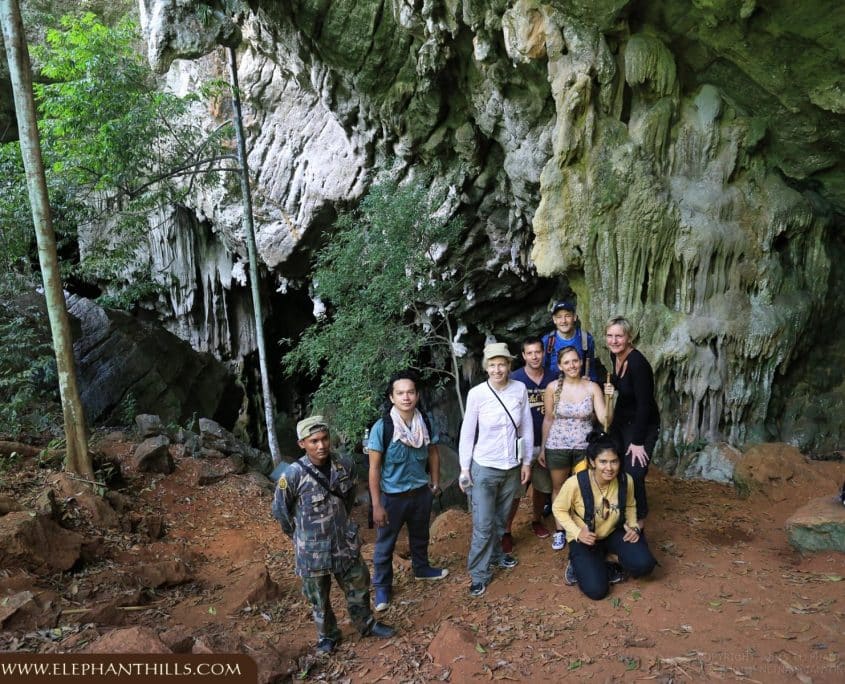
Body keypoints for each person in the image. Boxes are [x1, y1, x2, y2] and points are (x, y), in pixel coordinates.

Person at [272, 416, 395, 654]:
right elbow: (281, 511)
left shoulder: (345, 464)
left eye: (325, 438)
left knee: (358, 584)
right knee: (318, 596)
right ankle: (327, 636)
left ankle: (367, 624)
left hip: (343, 542)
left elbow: (348, 499)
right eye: (314, 441)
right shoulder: (293, 476)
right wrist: (299, 537)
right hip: (312, 550)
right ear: (302, 444)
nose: (321, 446)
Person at [367, 370, 449, 613]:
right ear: (392, 398)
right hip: (392, 496)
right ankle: (382, 587)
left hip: (420, 491)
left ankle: (422, 568)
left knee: (420, 534)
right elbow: (374, 468)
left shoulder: (425, 421)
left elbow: (433, 451)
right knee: (385, 544)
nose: (406, 397)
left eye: (410, 392)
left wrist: (434, 482)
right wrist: (376, 505)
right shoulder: (383, 427)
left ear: (417, 395)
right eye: (400, 393)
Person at [458, 342, 533, 597]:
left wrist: (526, 462)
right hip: (484, 467)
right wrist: (464, 469)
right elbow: (468, 432)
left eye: (502, 364)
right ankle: (479, 573)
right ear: (486, 367)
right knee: (482, 523)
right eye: (492, 365)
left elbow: (526, 427)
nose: (498, 369)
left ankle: (500, 554)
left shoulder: (519, 389)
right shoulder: (477, 394)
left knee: (502, 520)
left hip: (511, 466)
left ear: (509, 365)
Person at [552, 431, 657, 600]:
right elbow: (558, 509)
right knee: (597, 591)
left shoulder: (625, 480)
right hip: (585, 536)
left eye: (614, 461)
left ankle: (600, 562)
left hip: (612, 531)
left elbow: (630, 504)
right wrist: (577, 532)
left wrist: (633, 526)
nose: (609, 468)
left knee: (645, 565)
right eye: (603, 462)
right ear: (592, 462)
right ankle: (581, 565)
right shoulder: (576, 483)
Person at [540, 347, 607, 551]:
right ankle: (560, 530)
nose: (572, 365)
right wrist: (543, 448)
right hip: (557, 445)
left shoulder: (592, 387)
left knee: (584, 488)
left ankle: (582, 527)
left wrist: (610, 399)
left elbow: (605, 420)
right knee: (559, 488)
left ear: (580, 362)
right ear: (560, 366)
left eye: (575, 361)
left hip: (584, 447)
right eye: (567, 362)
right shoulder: (552, 388)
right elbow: (548, 418)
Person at [603, 316, 660, 526]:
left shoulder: (638, 364)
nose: (614, 340)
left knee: (634, 472)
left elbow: (645, 405)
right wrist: (613, 384)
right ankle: (617, 514)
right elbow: (623, 384)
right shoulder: (615, 354)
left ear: (629, 337)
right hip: (621, 421)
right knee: (612, 464)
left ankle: (639, 520)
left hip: (641, 424)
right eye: (610, 335)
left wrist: (637, 442)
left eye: (619, 336)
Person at [502, 336, 557, 550]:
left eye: (538, 352)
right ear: (524, 355)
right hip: (521, 444)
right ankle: (506, 529)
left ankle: (537, 519)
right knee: (516, 489)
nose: (535, 356)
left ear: (544, 353)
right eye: (530, 353)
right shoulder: (514, 380)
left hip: (546, 442)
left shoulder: (554, 378)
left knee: (542, 487)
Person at [541, 300, 604, 383]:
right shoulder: (547, 341)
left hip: (578, 387)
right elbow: (541, 369)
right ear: (554, 319)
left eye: (567, 316)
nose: (563, 321)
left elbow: (591, 369)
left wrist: (590, 382)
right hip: (554, 388)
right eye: (559, 317)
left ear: (574, 317)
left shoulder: (585, 339)